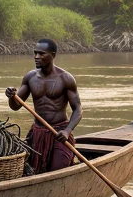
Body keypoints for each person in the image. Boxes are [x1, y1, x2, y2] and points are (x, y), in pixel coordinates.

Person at [6, 39, 82, 173]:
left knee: (58, 170)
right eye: (35, 53)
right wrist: (12, 97)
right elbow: (16, 106)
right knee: (31, 171)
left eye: (41, 54)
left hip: (60, 132)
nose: (36, 57)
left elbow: (78, 109)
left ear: (53, 55)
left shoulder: (66, 78)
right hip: (38, 133)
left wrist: (67, 130)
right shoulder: (30, 77)